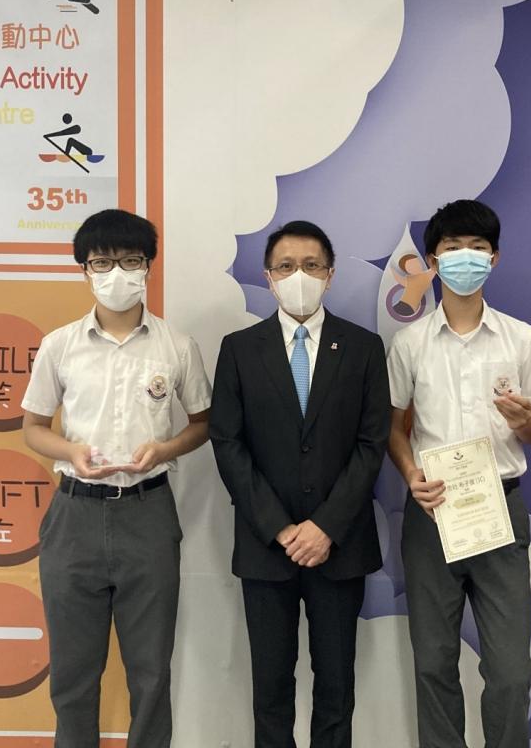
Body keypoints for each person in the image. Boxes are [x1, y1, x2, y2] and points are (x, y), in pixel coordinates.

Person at [21, 209, 212, 748]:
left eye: (130, 261)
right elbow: (33, 428)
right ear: (84, 269)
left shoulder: (176, 345)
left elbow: (203, 424)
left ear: (148, 266)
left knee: (151, 670)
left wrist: (164, 449)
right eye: (102, 263)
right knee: (72, 672)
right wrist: (72, 451)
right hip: (74, 515)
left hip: (147, 513)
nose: (117, 274)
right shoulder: (60, 345)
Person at [386, 199, 531, 748]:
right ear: (433, 262)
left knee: (510, 671)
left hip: (499, 508)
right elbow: (394, 428)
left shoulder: (520, 338)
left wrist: (526, 420)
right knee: (433, 662)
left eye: (478, 248)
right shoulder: (410, 342)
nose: (466, 257)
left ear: (495, 258)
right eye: (453, 248)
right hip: (432, 510)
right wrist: (410, 473)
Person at [209, 220, 390, 748]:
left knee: (336, 688)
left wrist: (325, 527)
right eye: (286, 267)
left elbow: (371, 444)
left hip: (340, 545)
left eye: (311, 266)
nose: (299, 276)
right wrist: (280, 528)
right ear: (269, 277)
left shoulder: (363, 347)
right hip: (267, 546)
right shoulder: (240, 349)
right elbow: (227, 443)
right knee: (270, 688)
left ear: (330, 275)